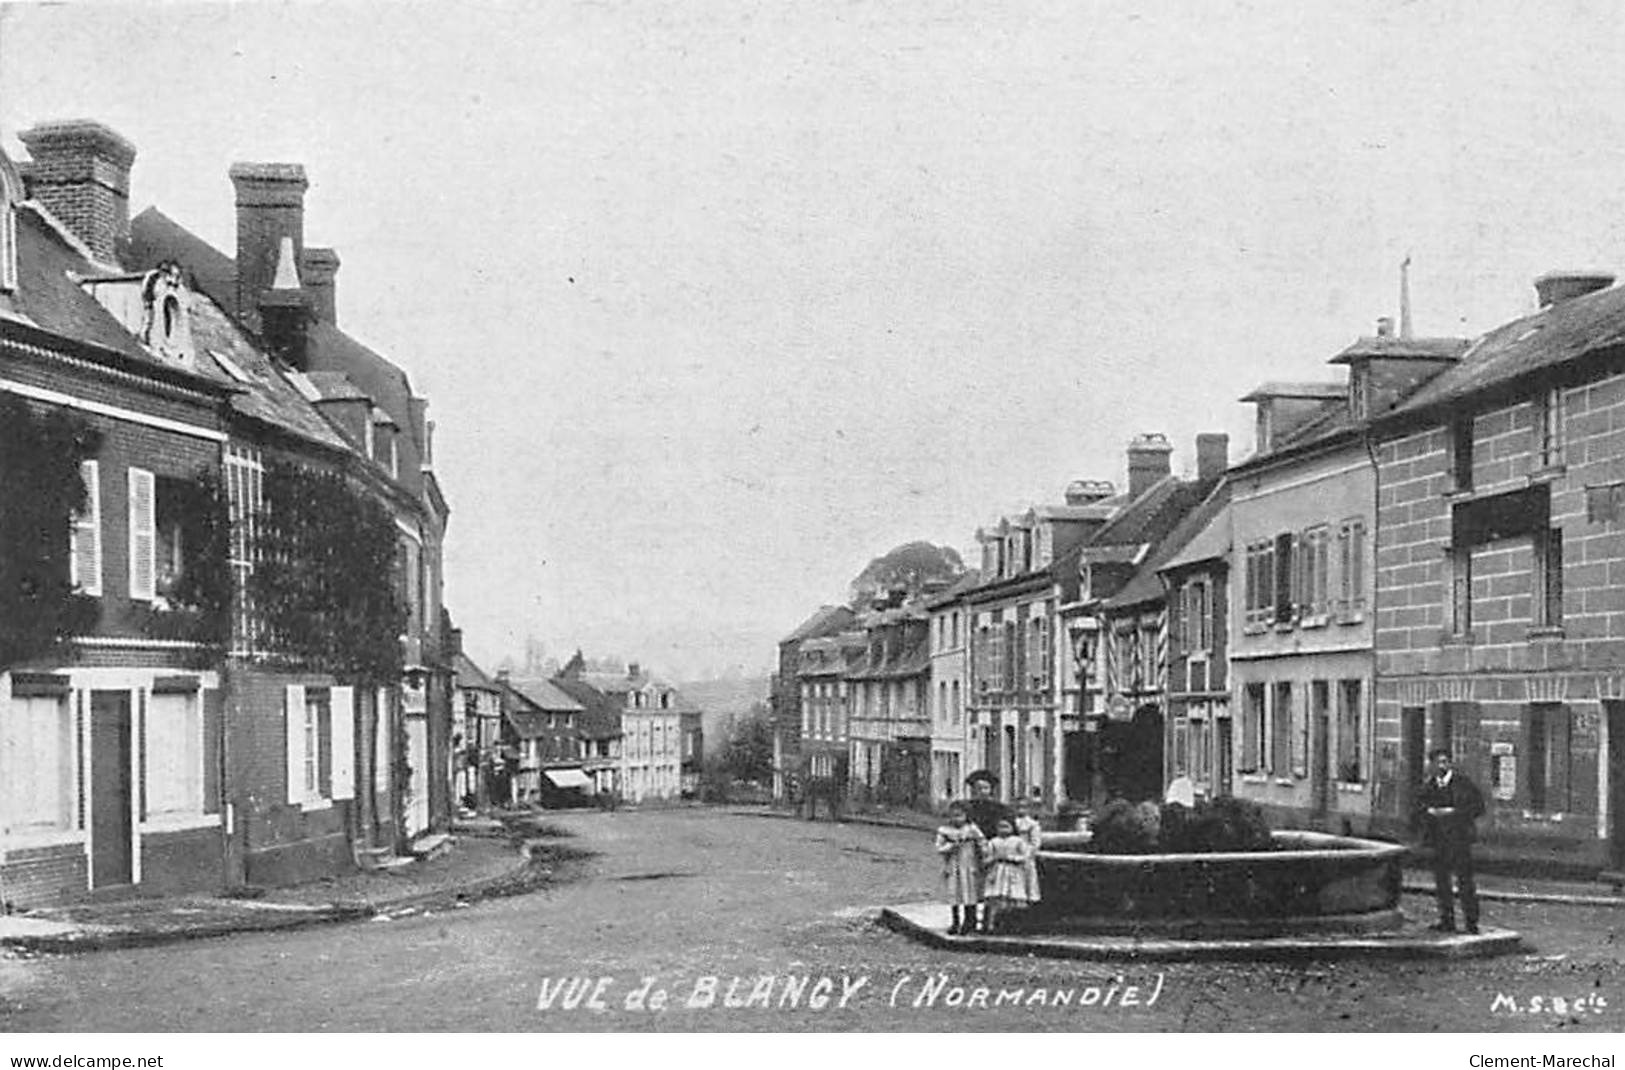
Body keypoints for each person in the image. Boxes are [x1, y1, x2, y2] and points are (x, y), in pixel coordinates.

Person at [1412, 747, 1485, 934]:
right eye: (1438, 763)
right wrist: (1428, 812)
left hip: (1460, 840)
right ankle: (1447, 920)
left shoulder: (1463, 784)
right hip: (1438, 842)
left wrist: (1453, 812)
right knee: (1442, 883)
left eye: (1445, 762)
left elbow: (1478, 807)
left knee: (1465, 882)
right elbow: (1417, 810)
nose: (1442, 766)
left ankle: (1471, 923)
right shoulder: (1428, 787)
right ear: (1432, 765)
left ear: (1450, 763)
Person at [960, 770, 1013, 933]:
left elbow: (1009, 829)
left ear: (991, 790)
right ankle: (970, 919)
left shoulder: (1001, 809)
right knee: (970, 886)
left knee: (991, 887)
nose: (980, 792)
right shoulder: (966, 808)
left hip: (992, 850)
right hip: (970, 852)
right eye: (977, 789)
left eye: (985, 788)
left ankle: (988, 922)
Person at [935, 801, 986, 935]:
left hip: (969, 865)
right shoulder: (945, 830)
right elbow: (939, 848)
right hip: (953, 865)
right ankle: (955, 921)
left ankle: (970, 921)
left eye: (960, 816)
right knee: (954, 893)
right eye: (953, 816)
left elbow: (982, 842)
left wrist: (984, 855)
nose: (956, 819)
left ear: (966, 816)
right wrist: (951, 846)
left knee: (970, 892)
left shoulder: (972, 829)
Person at [981, 817, 1033, 933]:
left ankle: (1012, 925)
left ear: (1012, 828)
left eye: (1006, 826)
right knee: (996, 898)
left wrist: (1012, 858)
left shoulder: (1018, 841)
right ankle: (991, 925)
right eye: (1000, 827)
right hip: (997, 871)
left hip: (1013, 871)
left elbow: (1025, 856)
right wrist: (993, 859)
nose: (1003, 830)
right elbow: (986, 858)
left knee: (1013, 898)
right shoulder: (993, 842)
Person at [1013, 794, 1043, 906]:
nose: (1021, 809)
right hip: (1011, 855)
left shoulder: (1032, 824)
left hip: (1025, 858)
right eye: (1018, 807)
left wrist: (1027, 854)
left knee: (1027, 883)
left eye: (1024, 807)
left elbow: (1035, 843)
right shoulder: (1011, 822)